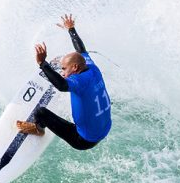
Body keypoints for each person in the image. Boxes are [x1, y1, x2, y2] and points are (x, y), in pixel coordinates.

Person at [16, 14, 112, 150]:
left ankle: (38, 129)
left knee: (40, 113)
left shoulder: (79, 82)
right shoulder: (92, 67)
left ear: (75, 67)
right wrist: (71, 29)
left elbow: (61, 85)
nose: (62, 72)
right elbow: (81, 50)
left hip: (84, 140)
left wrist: (42, 63)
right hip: (104, 128)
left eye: (64, 69)